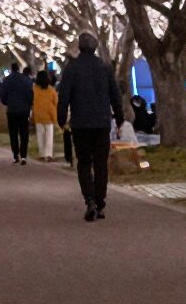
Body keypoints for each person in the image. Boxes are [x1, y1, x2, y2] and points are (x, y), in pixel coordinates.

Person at [57, 30, 123, 223]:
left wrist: (62, 119)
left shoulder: (72, 68)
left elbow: (64, 97)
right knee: (101, 163)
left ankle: (90, 200)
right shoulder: (104, 67)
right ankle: (101, 203)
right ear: (94, 48)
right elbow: (115, 95)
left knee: (84, 162)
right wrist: (119, 118)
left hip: (80, 123)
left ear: (79, 47)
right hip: (102, 122)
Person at [0, 62, 35, 164]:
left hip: (12, 110)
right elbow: (30, 94)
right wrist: (29, 103)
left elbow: (3, 95)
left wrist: (7, 102)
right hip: (24, 110)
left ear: (11, 69)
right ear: (19, 68)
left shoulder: (7, 80)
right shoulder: (25, 80)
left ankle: (16, 154)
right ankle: (24, 155)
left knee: (13, 133)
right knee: (24, 133)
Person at [32, 68, 59, 161]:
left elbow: (31, 101)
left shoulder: (34, 89)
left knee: (40, 136)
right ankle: (49, 155)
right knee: (49, 136)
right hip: (50, 115)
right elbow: (56, 102)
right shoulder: (51, 90)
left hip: (38, 115)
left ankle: (42, 154)